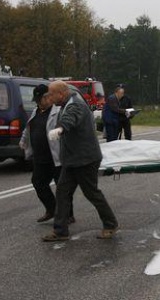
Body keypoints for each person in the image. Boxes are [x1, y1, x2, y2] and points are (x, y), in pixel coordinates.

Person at [41, 81, 118, 242]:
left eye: (51, 94)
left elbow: (70, 120)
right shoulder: (65, 103)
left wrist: (60, 129)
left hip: (86, 159)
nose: (49, 97)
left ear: (61, 94)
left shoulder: (76, 105)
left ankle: (110, 224)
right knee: (62, 192)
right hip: (72, 160)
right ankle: (61, 231)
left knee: (91, 193)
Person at [19, 84, 75, 224]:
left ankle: (68, 215)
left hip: (55, 156)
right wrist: (23, 141)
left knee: (62, 187)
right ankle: (52, 209)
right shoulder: (36, 111)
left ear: (48, 97)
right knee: (38, 183)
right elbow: (29, 127)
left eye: (40, 99)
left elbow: (65, 128)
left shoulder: (58, 110)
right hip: (40, 157)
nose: (38, 103)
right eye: (36, 100)